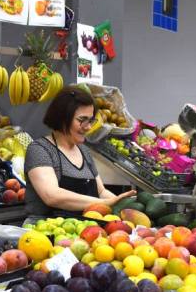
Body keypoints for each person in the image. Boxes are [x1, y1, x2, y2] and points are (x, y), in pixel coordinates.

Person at [24, 86, 136, 218]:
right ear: (61, 118)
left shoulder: (84, 151)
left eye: (91, 121)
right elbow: (52, 196)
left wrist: (125, 208)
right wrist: (105, 203)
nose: (88, 127)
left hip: (85, 231)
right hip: (45, 233)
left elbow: (101, 192)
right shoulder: (40, 149)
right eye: (82, 120)